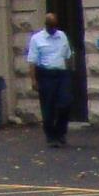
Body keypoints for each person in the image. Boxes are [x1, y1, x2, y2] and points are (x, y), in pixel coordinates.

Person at [24, 12, 77, 145]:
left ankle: (61, 131)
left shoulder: (62, 36)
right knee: (48, 107)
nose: (53, 29)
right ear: (46, 25)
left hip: (61, 73)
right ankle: (51, 136)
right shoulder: (37, 39)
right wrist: (34, 80)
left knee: (66, 103)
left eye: (55, 26)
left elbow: (68, 55)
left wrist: (71, 71)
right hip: (46, 74)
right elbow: (32, 61)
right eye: (51, 26)